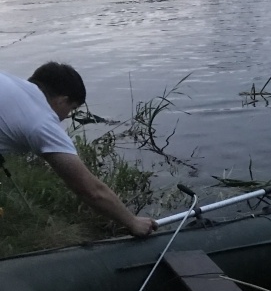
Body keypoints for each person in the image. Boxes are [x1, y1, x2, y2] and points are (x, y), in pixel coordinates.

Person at [0, 62, 157, 237]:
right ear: (62, 100)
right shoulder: (41, 121)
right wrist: (132, 222)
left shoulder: (10, 83)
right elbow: (90, 190)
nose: (67, 116)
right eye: (72, 108)